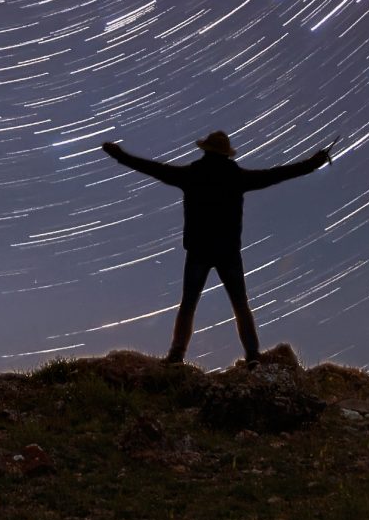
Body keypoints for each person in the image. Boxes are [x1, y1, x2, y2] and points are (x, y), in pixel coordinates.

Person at [101, 130, 332, 366]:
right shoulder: (237, 177)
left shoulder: (192, 174)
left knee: (189, 304)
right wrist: (313, 163)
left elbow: (153, 168)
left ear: (206, 150)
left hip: (198, 249)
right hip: (228, 251)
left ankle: (176, 354)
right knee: (240, 304)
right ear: (225, 153)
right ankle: (252, 355)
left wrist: (119, 155)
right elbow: (277, 174)